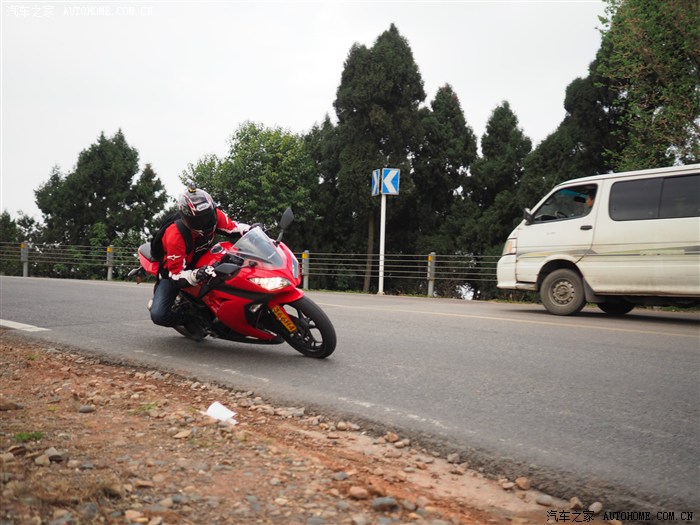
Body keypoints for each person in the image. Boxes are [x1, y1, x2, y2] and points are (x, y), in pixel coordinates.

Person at [149, 183, 249, 335]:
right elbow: (176, 275)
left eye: (208, 217)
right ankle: (188, 319)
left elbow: (233, 227)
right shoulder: (175, 235)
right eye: (199, 221)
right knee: (159, 315)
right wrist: (196, 274)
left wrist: (251, 228)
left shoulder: (213, 214)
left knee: (238, 266)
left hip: (206, 258)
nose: (205, 223)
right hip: (176, 270)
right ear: (186, 219)